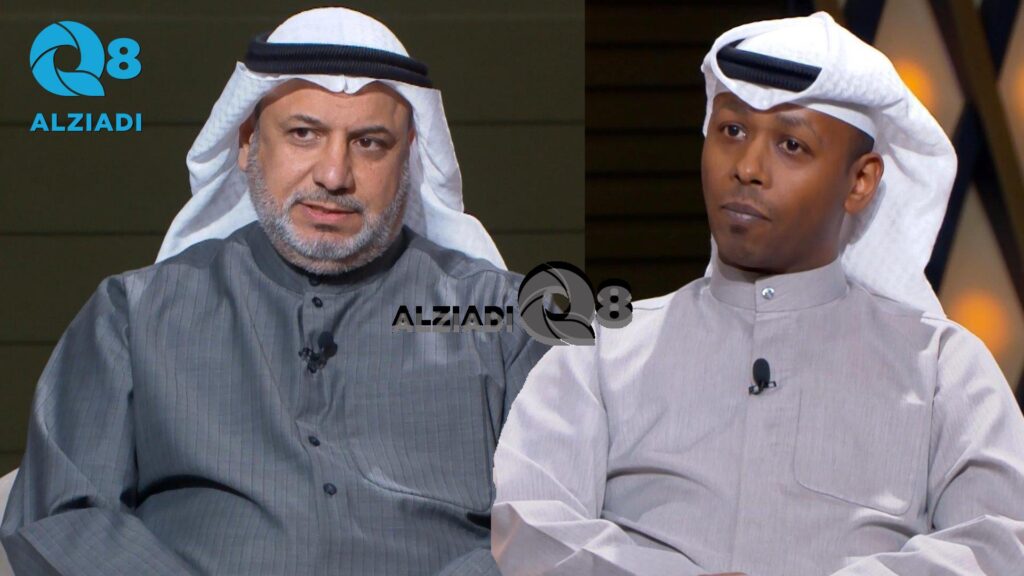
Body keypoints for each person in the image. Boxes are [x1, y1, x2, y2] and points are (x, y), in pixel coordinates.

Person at [0, 7, 549, 575]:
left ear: (408, 155)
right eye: (304, 134)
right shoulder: (133, 317)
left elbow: (559, 521)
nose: (333, 175)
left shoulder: (506, 323)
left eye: (369, 142)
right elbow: (61, 516)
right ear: (246, 141)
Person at [491, 12, 1024, 576]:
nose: (747, 168)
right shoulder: (600, 351)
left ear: (860, 181)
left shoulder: (942, 369)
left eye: (791, 144)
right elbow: (531, 528)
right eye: (732, 131)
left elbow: (997, 545)